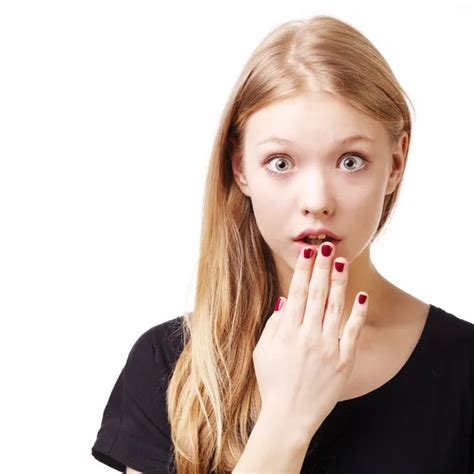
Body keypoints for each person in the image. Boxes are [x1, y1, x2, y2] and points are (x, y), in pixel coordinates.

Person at [91, 14, 474, 473]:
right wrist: (286, 422)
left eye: (350, 161)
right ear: (240, 169)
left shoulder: (464, 367)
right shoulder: (169, 365)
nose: (317, 201)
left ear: (395, 163)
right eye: (281, 162)